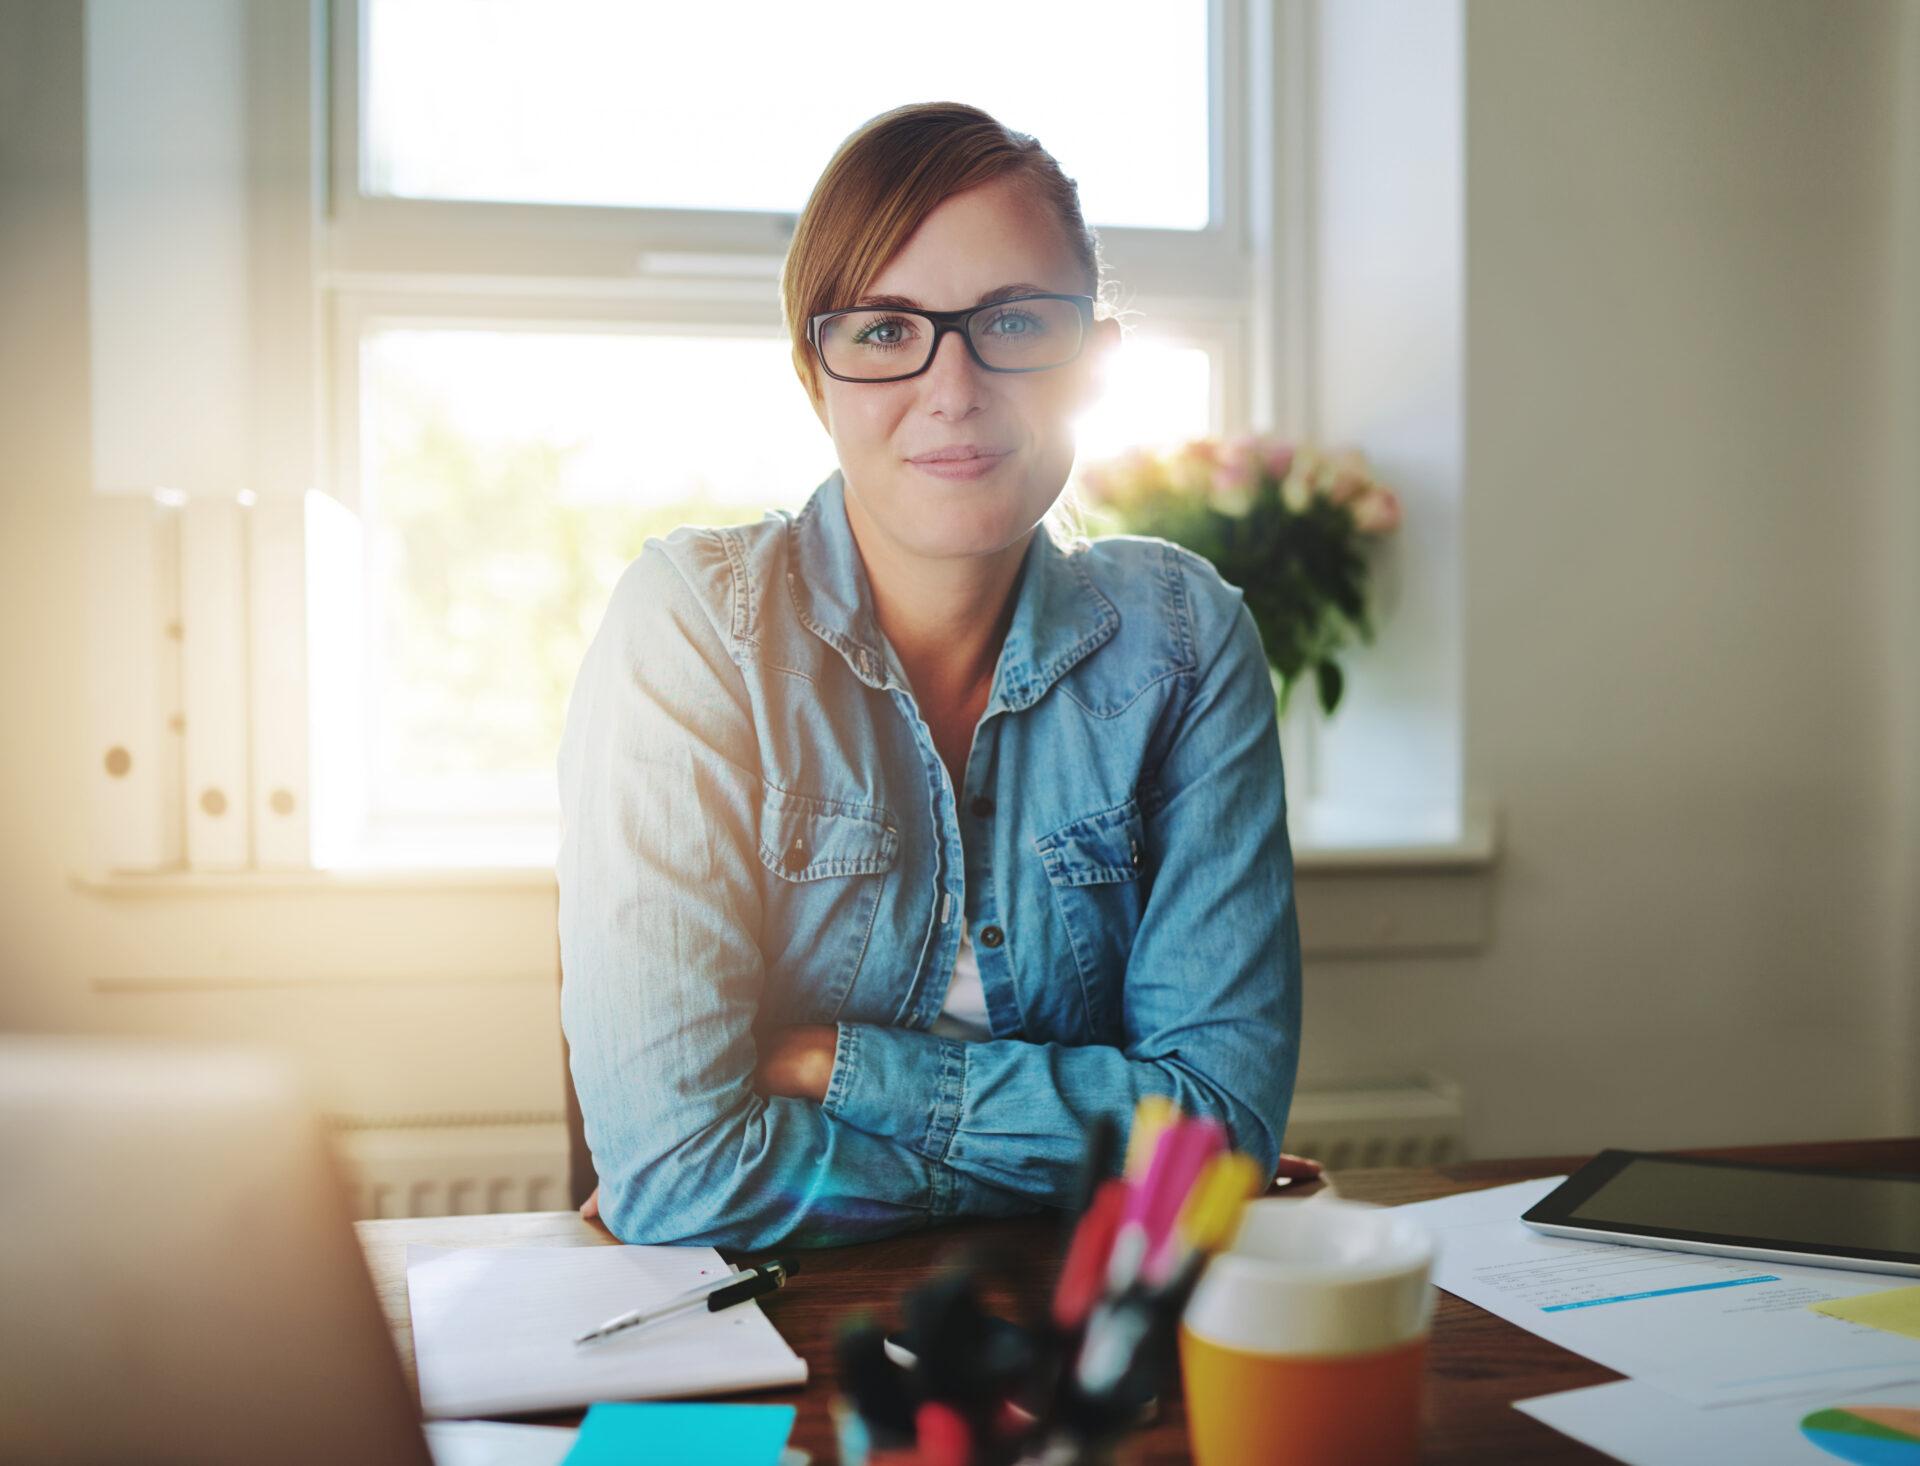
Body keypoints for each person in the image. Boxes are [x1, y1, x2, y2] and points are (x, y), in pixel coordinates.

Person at [557, 102, 1307, 1250]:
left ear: (1095, 365)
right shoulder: (696, 628)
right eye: (883, 330)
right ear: (819, 374)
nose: (953, 388)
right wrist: (1107, 1164)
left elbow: (1223, 1134)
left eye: (1012, 320)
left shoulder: (1187, 640)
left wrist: (831, 1065)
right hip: (762, 1344)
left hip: (1083, 1345)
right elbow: (678, 1175)